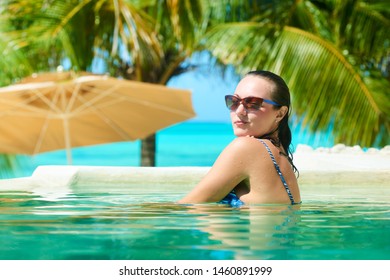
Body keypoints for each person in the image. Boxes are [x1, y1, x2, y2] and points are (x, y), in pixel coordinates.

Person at [178, 70, 301, 206]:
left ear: (280, 114)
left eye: (253, 103)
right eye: (234, 101)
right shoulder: (279, 155)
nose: (239, 111)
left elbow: (187, 206)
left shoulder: (246, 147)